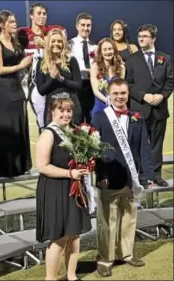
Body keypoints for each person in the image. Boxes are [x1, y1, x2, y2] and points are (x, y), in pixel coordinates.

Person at [92, 78, 154, 277]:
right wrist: (100, 176)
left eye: (123, 93)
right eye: (116, 93)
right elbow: (95, 150)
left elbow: (144, 147)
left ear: (128, 94)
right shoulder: (100, 117)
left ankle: (126, 254)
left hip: (130, 178)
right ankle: (105, 260)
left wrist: (147, 175)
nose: (120, 97)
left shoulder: (137, 117)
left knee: (129, 218)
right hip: (108, 178)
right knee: (106, 223)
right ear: (109, 95)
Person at [36, 92, 91, 280]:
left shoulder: (76, 131)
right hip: (55, 189)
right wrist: (69, 173)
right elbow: (42, 166)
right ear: (52, 111)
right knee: (59, 237)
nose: (66, 114)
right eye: (61, 110)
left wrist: (86, 165)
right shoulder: (48, 133)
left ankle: (71, 276)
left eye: (69, 110)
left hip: (74, 187)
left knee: (74, 234)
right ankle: (50, 278)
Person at [126, 24, 173, 187]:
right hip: (140, 108)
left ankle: (156, 175)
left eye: (145, 36)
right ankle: (142, 176)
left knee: (157, 144)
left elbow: (169, 82)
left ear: (153, 38)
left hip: (159, 108)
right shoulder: (132, 59)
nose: (141, 39)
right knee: (139, 143)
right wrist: (143, 96)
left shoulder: (165, 58)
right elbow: (128, 84)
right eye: (140, 36)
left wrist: (162, 96)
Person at [0, 10, 32, 177]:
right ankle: (6, 168)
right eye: (11, 22)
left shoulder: (16, 43)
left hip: (17, 87)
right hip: (3, 89)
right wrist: (21, 65)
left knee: (20, 124)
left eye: (15, 21)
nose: (15, 24)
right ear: (2, 25)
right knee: (7, 126)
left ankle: (21, 166)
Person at [17, 2, 67, 132]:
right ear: (31, 16)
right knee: (41, 118)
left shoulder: (54, 31)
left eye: (44, 13)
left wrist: (45, 44)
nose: (42, 16)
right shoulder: (22, 34)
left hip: (53, 81)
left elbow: (65, 51)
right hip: (31, 81)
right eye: (39, 13)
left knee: (56, 118)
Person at [36, 28, 82, 126]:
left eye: (59, 41)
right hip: (52, 108)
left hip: (71, 106)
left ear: (63, 44)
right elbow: (41, 90)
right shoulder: (41, 63)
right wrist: (52, 78)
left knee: (74, 139)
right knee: (53, 139)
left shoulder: (71, 60)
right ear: (48, 43)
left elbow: (78, 85)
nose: (56, 44)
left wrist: (61, 79)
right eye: (53, 41)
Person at [69, 13, 97, 123]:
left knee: (91, 117)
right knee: (77, 117)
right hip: (77, 84)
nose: (86, 28)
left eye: (88, 25)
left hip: (91, 85)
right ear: (77, 26)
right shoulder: (70, 44)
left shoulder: (95, 46)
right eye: (83, 25)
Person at [90, 38, 125, 119]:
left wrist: (115, 101)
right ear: (101, 52)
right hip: (100, 105)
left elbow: (121, 89)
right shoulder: (95, 67)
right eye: (105, 49)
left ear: (114, 50)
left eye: (110, 49)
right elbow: (95, 90)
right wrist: (107, 100)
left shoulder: (121, 67)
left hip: (117, 106)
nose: (108, 52)